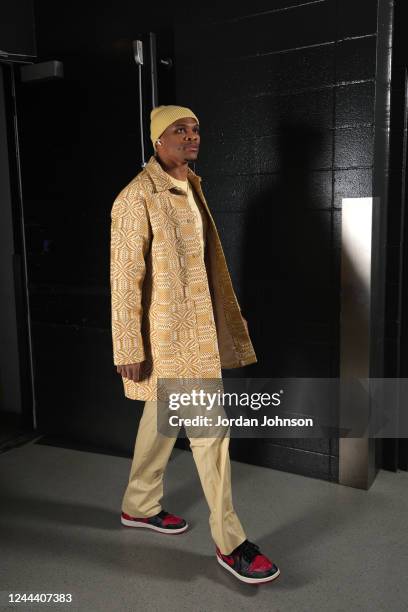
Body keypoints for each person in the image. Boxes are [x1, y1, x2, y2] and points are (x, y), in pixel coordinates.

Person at [110, 105, 280, 584]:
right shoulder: (135, 197)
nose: (191, 137)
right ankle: (232, 543)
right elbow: (125, 280)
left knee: (161, 422)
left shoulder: (191, 186)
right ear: (156, 141)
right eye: (178, 130)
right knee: (211, 436)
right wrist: (128, 347)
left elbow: (203, 267)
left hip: (201, 331)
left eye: (195, 129)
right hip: (170, 339)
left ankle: (139, 506)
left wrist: (226, 320)